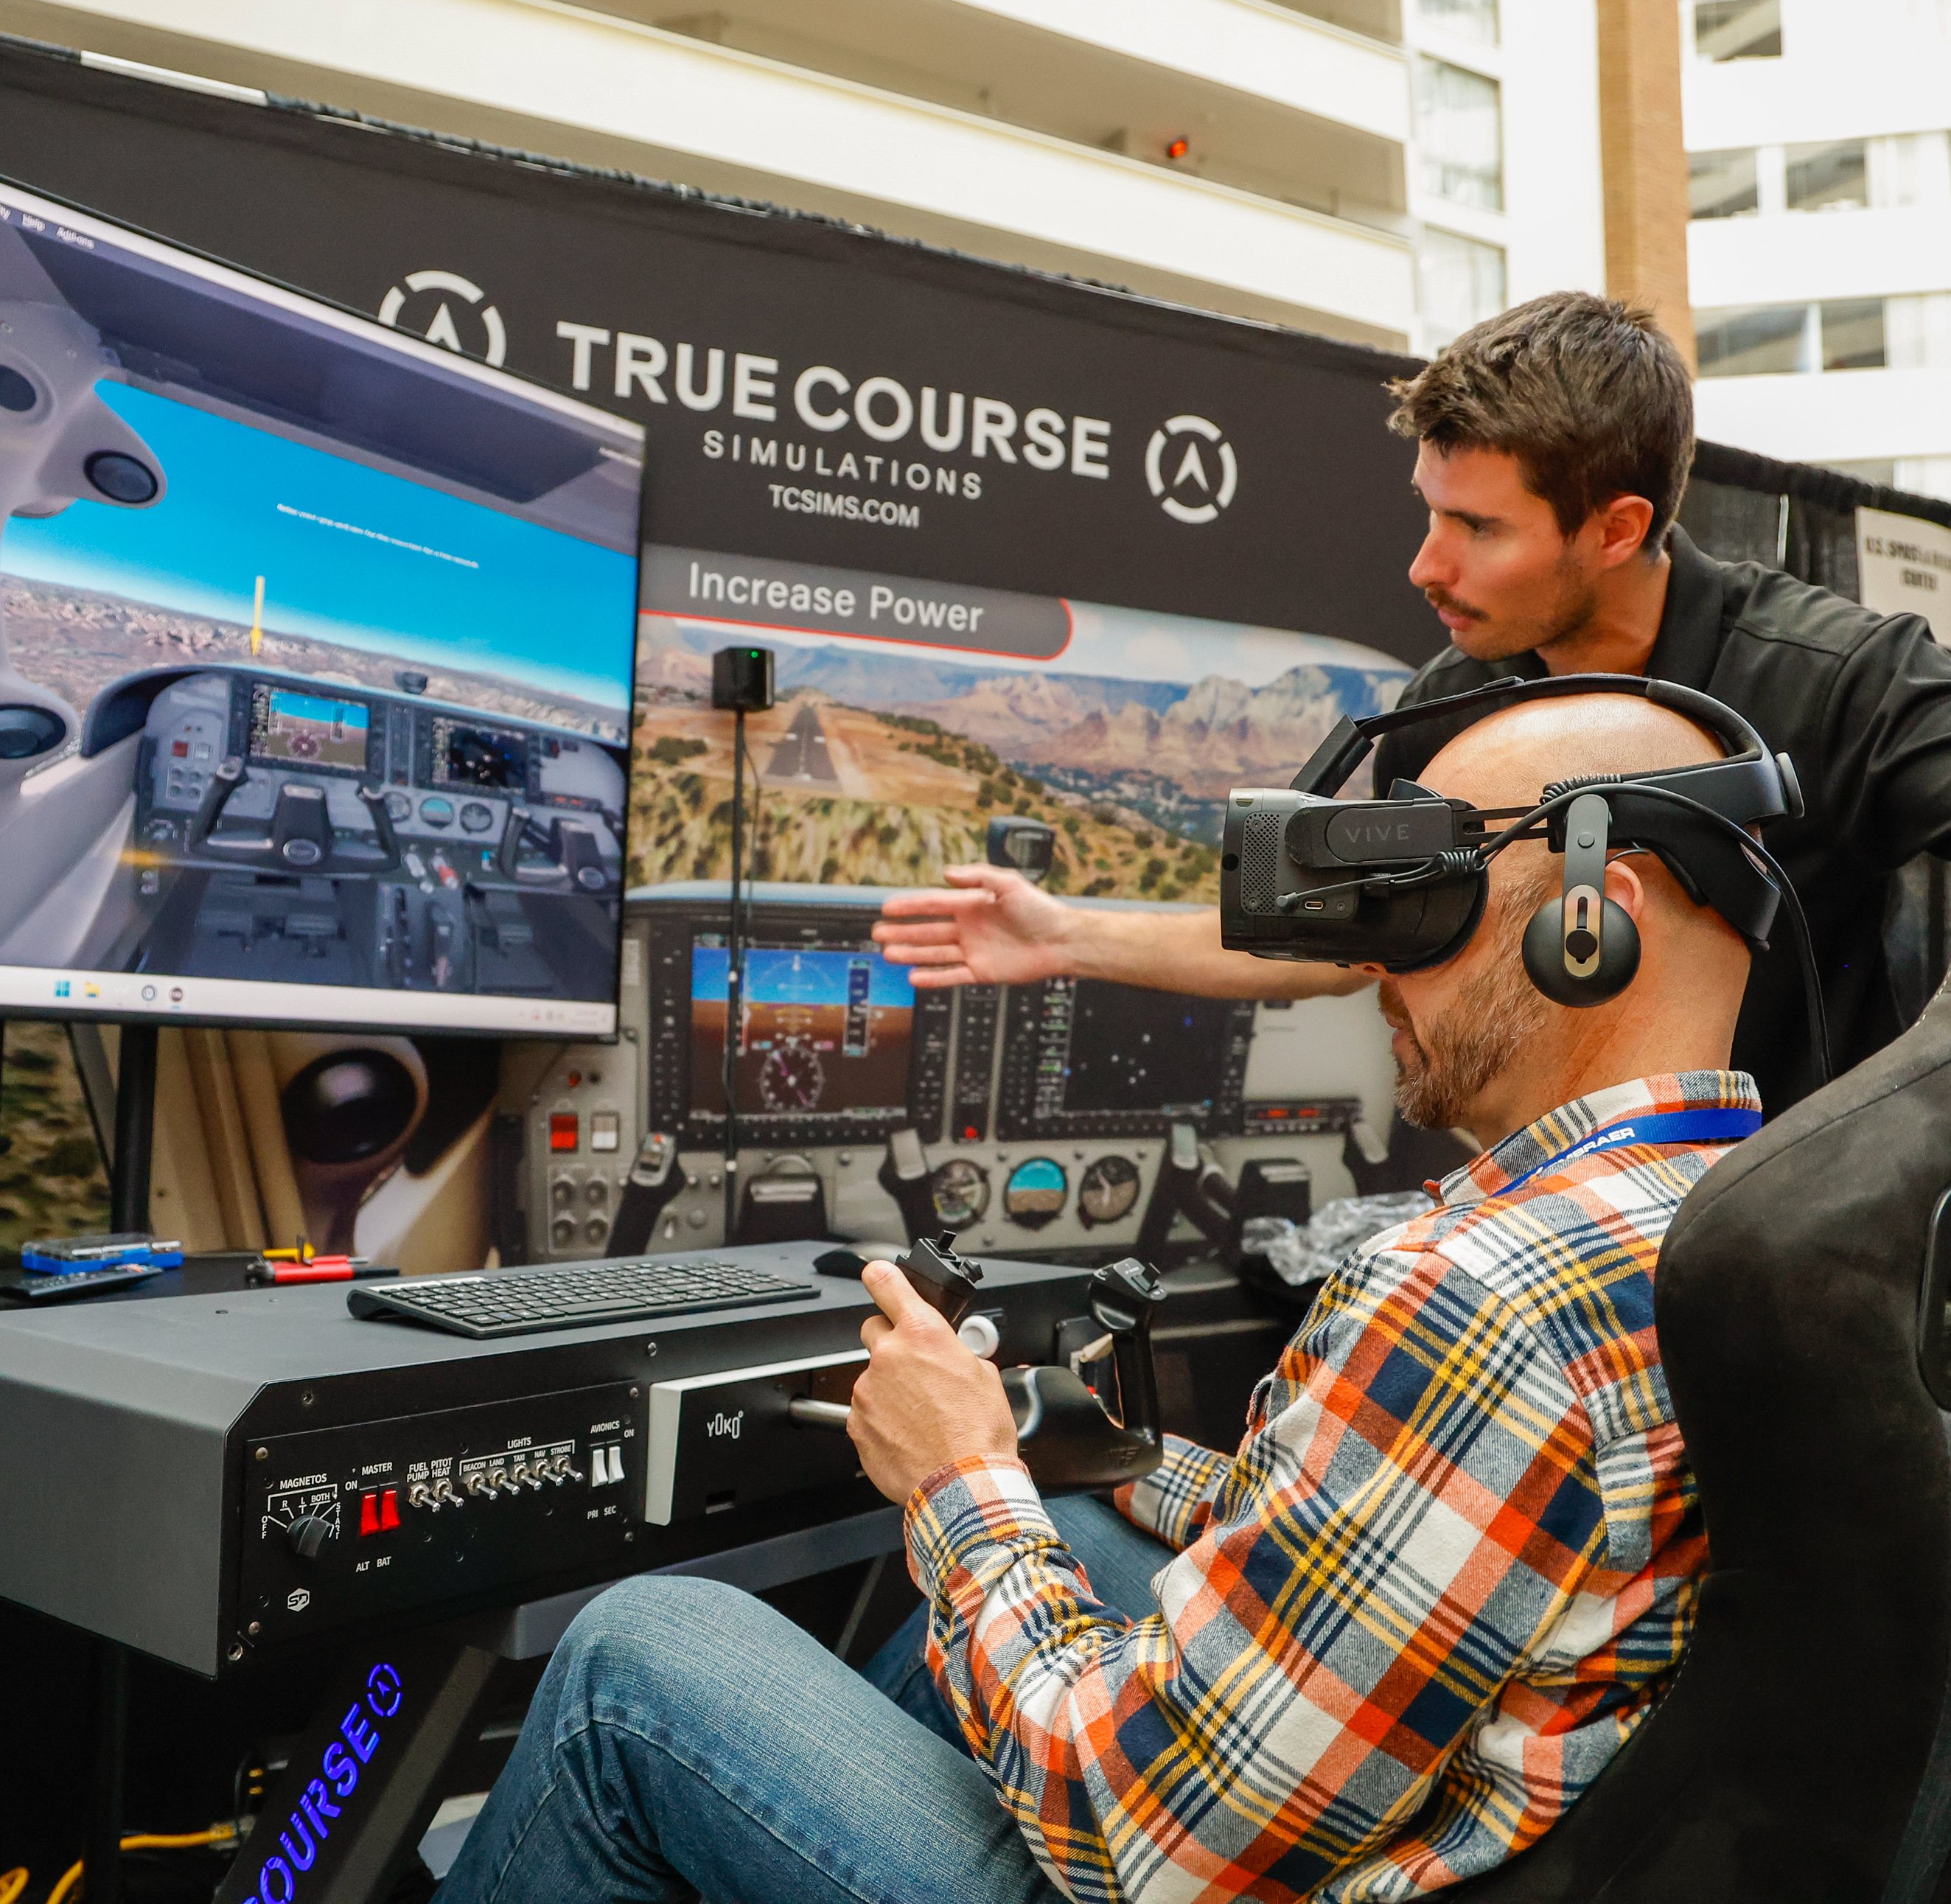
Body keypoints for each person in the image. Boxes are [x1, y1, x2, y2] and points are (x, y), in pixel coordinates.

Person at [434, 692, 1766, 1903]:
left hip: (1175, 1864)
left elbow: (1147, 1840)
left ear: (1597, 914)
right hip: (1497, 1822)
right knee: (1075, 1516)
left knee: (641, 1655)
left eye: (1430, 906)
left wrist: (958, 1480)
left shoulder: (1484, 1299)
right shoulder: (1747, 1210)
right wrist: (1071, 1455)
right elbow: (1408, 1537)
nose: (1372, 969)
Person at [869, 293, 1951, 1113]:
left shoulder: (1836, 673)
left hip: (1798, 1267)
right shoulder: (1457, 703)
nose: (1427, 567)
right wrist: (1062, 936)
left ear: (1616, 526)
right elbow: (1338, 934)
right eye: (1431, 514)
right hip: (1545, 1250)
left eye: (1479, 530)